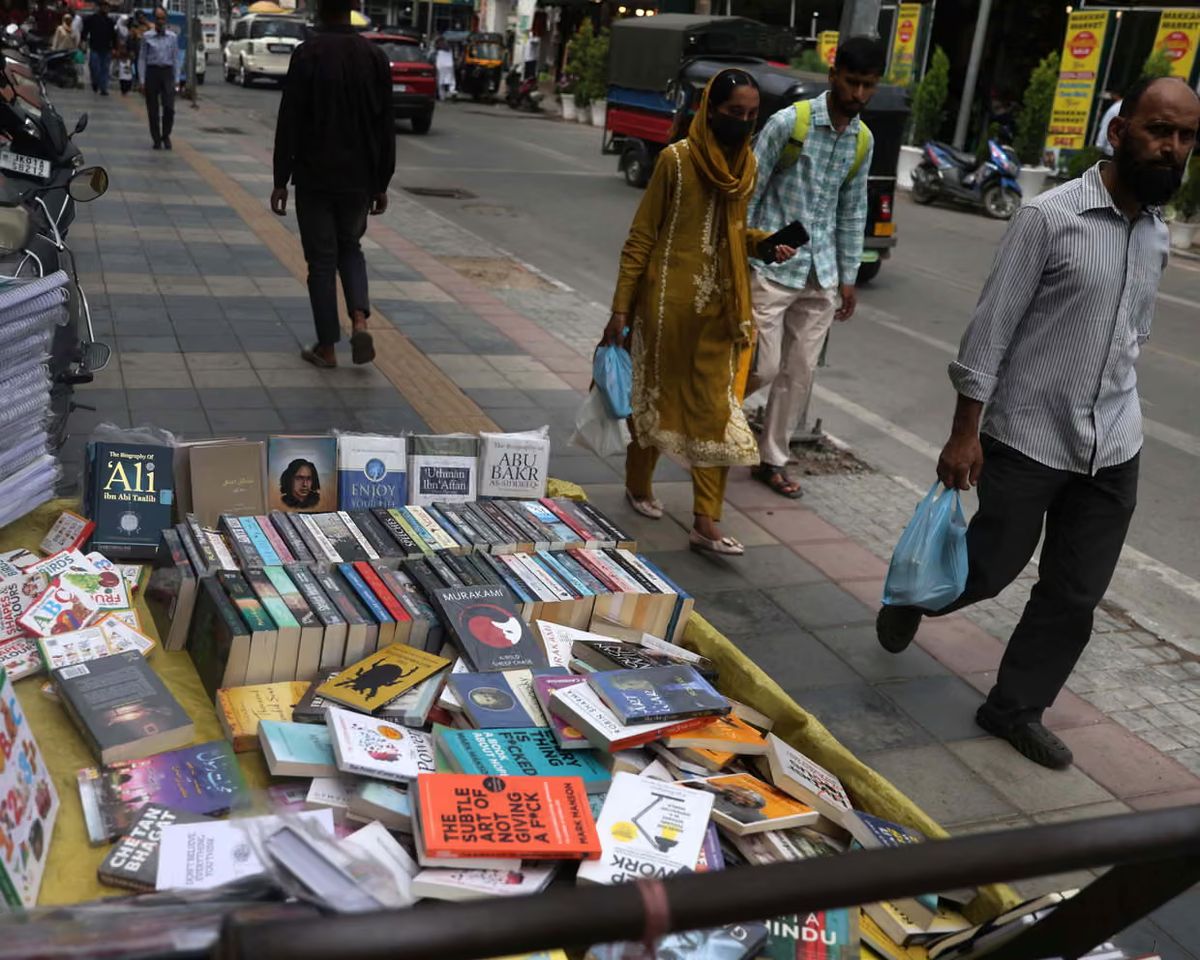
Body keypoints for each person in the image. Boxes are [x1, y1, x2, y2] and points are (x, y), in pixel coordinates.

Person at [876, 77, 1200, 770]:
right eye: (1159, 131)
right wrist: (966, 431)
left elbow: (1133, 336)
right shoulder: (1049, 217)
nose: (1173, 148)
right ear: (1119, 132)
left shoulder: (1156, 235)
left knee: (1075, 593)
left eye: (1186, 136)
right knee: (989, 567)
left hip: (1114, 444)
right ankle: (915, 596)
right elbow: (990, 329)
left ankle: (1014, 708)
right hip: (1029, 434)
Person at [604, 69, 796, 557]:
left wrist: (764, 245)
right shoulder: (676, 160)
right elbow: (642, 236)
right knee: (655, 399)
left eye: (752, 116)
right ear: (711, 109)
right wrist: (620, 309)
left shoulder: (746, 167)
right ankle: (637, 482)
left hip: (721, 309)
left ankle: (705, 521)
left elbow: (732, 232)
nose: (744, 123)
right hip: (665, 308)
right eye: (735, 114)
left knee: (716, 412)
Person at [743, 36, 884, 499]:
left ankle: (772, 459)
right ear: (832, 75)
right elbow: (751, 191)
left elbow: (851, 211)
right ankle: (708, 421)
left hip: (820, 275)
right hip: (771, 267)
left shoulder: (863, 141)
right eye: (852, 81)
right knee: (760, 367)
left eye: (868, 85)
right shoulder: (791, 123)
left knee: (799, 372)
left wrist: (847, 277)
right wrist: (748, 252)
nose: (859, 94)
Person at [271, 0, 394, 369]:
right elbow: (384, 125)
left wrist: (280, 180)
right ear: (353, 10)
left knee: (322, 262)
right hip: (358, 179)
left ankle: (327, 347)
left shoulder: (307, 54)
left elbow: (289, 119)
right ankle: (359, 320)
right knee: (350, 248)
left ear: (321, 12)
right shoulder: (374, 57)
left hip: (314, 177)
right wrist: (381, 181)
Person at [138, 7, 179, 149]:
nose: (160, 21)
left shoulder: (172, 37)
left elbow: (175, 59)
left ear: (166, 19)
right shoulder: (147, 36)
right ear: (154, 19)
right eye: (158, 18)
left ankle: (166, 135)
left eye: (163, 18)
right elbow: (142, 58)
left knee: (169, 107)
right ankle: (156, 139)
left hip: (167, 73)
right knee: (153, 109)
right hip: (152, 72)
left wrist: (177, 79)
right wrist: (142, 80)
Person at [81, 0, 116, 95]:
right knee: (94, 67)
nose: (106, 9)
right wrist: (83, 41)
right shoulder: (92, 19)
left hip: (106, 48)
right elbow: (85, 31)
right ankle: (95, 82)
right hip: (94, 48)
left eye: (107, 7)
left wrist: (114, 48)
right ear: (100, 7)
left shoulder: (110, 21)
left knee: (105, 69)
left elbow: (113, 35)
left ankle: (103, 88)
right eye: (104, 6)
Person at [1094, 90, 1122, 156]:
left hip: (1108, 151)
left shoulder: (1115, 108)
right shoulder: (1124, 106)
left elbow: (1105, 128)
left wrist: (1098, 147)